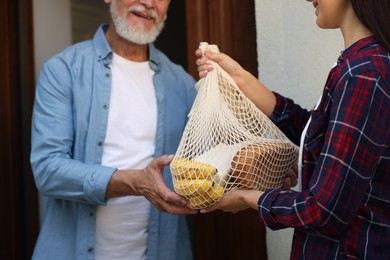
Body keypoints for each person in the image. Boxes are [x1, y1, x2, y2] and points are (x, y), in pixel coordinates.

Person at [196, 0, 390, 259]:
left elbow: (324, 211)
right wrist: (241, 79)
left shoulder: (363, 74)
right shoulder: (360, 66)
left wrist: (247, 198)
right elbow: (323, 139)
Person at [30, 0, 199, 259]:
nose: (149, 3)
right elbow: (47, 170)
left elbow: (206, 166)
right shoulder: (63, 71)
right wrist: (137, 182)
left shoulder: (184, 85)